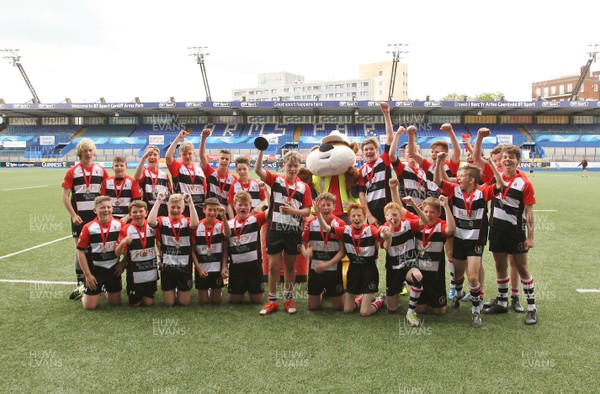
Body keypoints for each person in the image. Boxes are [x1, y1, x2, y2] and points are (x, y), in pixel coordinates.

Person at [434, 152, 504, 328]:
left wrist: (491, 164)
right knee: (458, 276)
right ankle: (458, 292)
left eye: (462, 175)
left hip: (475, 242)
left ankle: (475, 311)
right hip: (458, 239)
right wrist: (439, 163)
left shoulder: (483, 192)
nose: (459, 177)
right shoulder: (454, 190)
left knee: (472, 278)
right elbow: (437, 182)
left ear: (472, 180)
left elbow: (500, 185)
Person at [483, 145, 538, 325]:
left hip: (515, 232)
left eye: (511, 158)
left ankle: (532, 308)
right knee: (500, 265)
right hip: (497, 230)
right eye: (505, 157)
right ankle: (502, 302)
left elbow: (529, 212)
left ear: (518, 161)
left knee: (522, 268)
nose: (507, 160)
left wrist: (530, 237)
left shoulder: (524, 183)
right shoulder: (495, 178)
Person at [256, 149, 312, 315]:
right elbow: (259, 170)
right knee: (273, 267)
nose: (292, 169)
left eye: (295, 166)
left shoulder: (304, 187)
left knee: (289, 267)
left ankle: (288, 300)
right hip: (275, 230)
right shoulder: (276, 180)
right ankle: (272, 301)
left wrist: (293, 212)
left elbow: (308, 211)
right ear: (283, 166)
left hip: (293, 231)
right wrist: (261, 151)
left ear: (299, 166)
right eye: (289, 165)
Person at [316, 203, 386, 317]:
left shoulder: (370, 229)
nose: (356, 218)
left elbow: (381, 234)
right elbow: (326, 228)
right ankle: (362, 298)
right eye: (353, 216)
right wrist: (318, 214)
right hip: (353, 269)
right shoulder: (345, 230)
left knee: (365, 312)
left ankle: (380, 300)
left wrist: (385, 232)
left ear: (364, 217)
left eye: (359, 215)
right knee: (347, 309)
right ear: (349, 218)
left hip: (369, 270)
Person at [61, 138, 109, 300]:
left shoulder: (101, 171)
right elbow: (65, 197)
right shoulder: (72, 172)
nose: (88, 154)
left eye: (90, 150)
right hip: (79, 219)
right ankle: (81, 284)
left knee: (95, 249)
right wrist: (73, 215)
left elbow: (107, 195)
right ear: (79, 153)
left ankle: (96, 282)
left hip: (97, 219)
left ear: (93, 152)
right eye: (84, 151)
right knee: (81, 250)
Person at [148, 192, 199, 307]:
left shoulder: (187, 221)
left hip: (184, 267)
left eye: (178, 207)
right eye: (172, 207)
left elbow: (195, 224)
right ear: (167, 207)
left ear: (183, 208)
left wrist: (190, 202)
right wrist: (158, 201)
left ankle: (179, 290)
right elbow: (151, 222)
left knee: (184, 303)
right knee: (168, 303)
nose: (175, 210)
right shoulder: (163, 221)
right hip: (167, 267)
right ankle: (173, 290)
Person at [379, 198, 427, 318]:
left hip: (409, 265)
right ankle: (380, 299)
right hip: (394, 268)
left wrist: (414, 205)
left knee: (418, 276)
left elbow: (425, 221)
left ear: (400, 215)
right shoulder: (383, 229)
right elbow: (386, 246)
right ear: (385, 217)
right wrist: (389, 231)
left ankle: (410, 312)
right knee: (392, 310)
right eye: (389, 216)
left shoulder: (408, 224)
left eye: (395, 215)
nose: (392, 218)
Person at [411, 196, 455, 324]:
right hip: (420, 275)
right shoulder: (418, 224)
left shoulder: (441, 225)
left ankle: (434, 300)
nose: (428, 215)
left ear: (438, 213)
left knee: (439, 312)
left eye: (432, 212)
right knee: (420, 310)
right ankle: (427, 299)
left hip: (435, 276)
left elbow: (451, 230)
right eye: (426, 212)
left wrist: (446, 206)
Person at [75, 196, 123, 310]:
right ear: (95, 210)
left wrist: (122, 263)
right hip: (95, 270)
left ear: (112, 209)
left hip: (113, 269)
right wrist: (87, 274)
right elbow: (80, 252)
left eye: (109, 207)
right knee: (89, 306)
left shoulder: (119, 225)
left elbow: (127, 247)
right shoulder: (88, 227)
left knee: (115, 302)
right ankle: (82, 289)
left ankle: (105, 288)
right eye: (102, 208)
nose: (106, 210)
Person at [300, 192, 346, 311]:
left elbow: (342, 252)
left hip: (333, 270)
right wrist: (305, 252)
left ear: (334, 207)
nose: (325, 208)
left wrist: (326, 265)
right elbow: (302, 244)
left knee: (339, 307)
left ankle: (333, 291)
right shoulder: (310, 223)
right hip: (315, 270)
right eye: (322, 205)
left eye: (328, 205)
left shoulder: (340, 224)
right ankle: (322, 291)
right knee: (312, 307)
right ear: (318, 207)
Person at [226, 190, 268, 305]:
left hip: (254, 267)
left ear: (250, 206)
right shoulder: (228, 224)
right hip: (236, 269)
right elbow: (225, 248)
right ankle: (240, 288)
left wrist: (267, 192)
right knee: (235, 301)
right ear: (234, 206)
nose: (243, 207)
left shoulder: (256, 219)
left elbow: (271, 211)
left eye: (246, 205)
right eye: (240, 205)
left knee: (258, 300)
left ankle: (250, 287)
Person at [357, 102, 395, 225]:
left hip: (388, 207)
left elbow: (390, 138)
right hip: (373, 211)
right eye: (366, 150)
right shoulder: (361, 171)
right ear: (362, 152)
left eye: (371, 149)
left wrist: (386, 114)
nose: (369, 151)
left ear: (376, 150)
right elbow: (362, 195)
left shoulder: (384, 159)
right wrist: (369, 215)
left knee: (392, 239)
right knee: (375, 243)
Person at [115, 200, 158, 307]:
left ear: (146, 213)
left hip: (150, 271)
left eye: (141, 211)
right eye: (134, 212)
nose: (138, 214)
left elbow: (161, 242)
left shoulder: (152, 226)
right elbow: (117, 252)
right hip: (135, 273)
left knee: (148, 303)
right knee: (135, 304)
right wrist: (123, 242)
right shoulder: (126, 229)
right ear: (129, 215)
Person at [191, 197, 231, 305]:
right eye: (210, 209)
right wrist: (198, 268)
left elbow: (227, 235)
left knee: (216, 301)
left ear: (218, 211)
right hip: (202, 270)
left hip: (216, 269)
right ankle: (208, 290)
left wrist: (224, 267)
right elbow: (192, 251)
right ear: (204, 210)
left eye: (215, 210)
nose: (212, 212)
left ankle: (215, 291)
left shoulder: (220, 224)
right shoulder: (197, 226)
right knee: (203, 302)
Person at [166, 129, 207, 217]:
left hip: (199, 209)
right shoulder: (177, 167)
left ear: (194, 154)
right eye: (184, 154)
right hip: (183, 209)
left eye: (189, 153)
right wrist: (179, 138)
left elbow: (205, 190)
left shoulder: (199, 169)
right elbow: (168, 157)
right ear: (180, 155)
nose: (187, 156)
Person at [200, 128, 238, 211]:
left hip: (225, 213)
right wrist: (203, 138)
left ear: (230, 162)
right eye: (222, 158)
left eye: (227, 159)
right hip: (210, 212)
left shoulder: (234, 179)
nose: (224, 161)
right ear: (218, 159)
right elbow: (202, 156)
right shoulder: (211, 172)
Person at [101, 155, 143, 223]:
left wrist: (127, 218)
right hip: (110, 218)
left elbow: (136, 203)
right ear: (112, 167)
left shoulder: (132, 182)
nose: (119, 168)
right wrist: (110, 217)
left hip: (127, 219)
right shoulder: (106, 182)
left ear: (126, 167)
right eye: (116, 166)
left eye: (121, 165)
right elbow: (103, 201)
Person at [134, 145, 173, 217]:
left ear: (159, 157)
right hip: (149, 209)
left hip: (163, 209)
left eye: (155, 155)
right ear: (146, 158)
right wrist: (143, 158)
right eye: (149, 155)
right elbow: (137, 177)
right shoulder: (144, 172)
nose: (152, 157)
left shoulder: (164, 175)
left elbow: (170, 193)